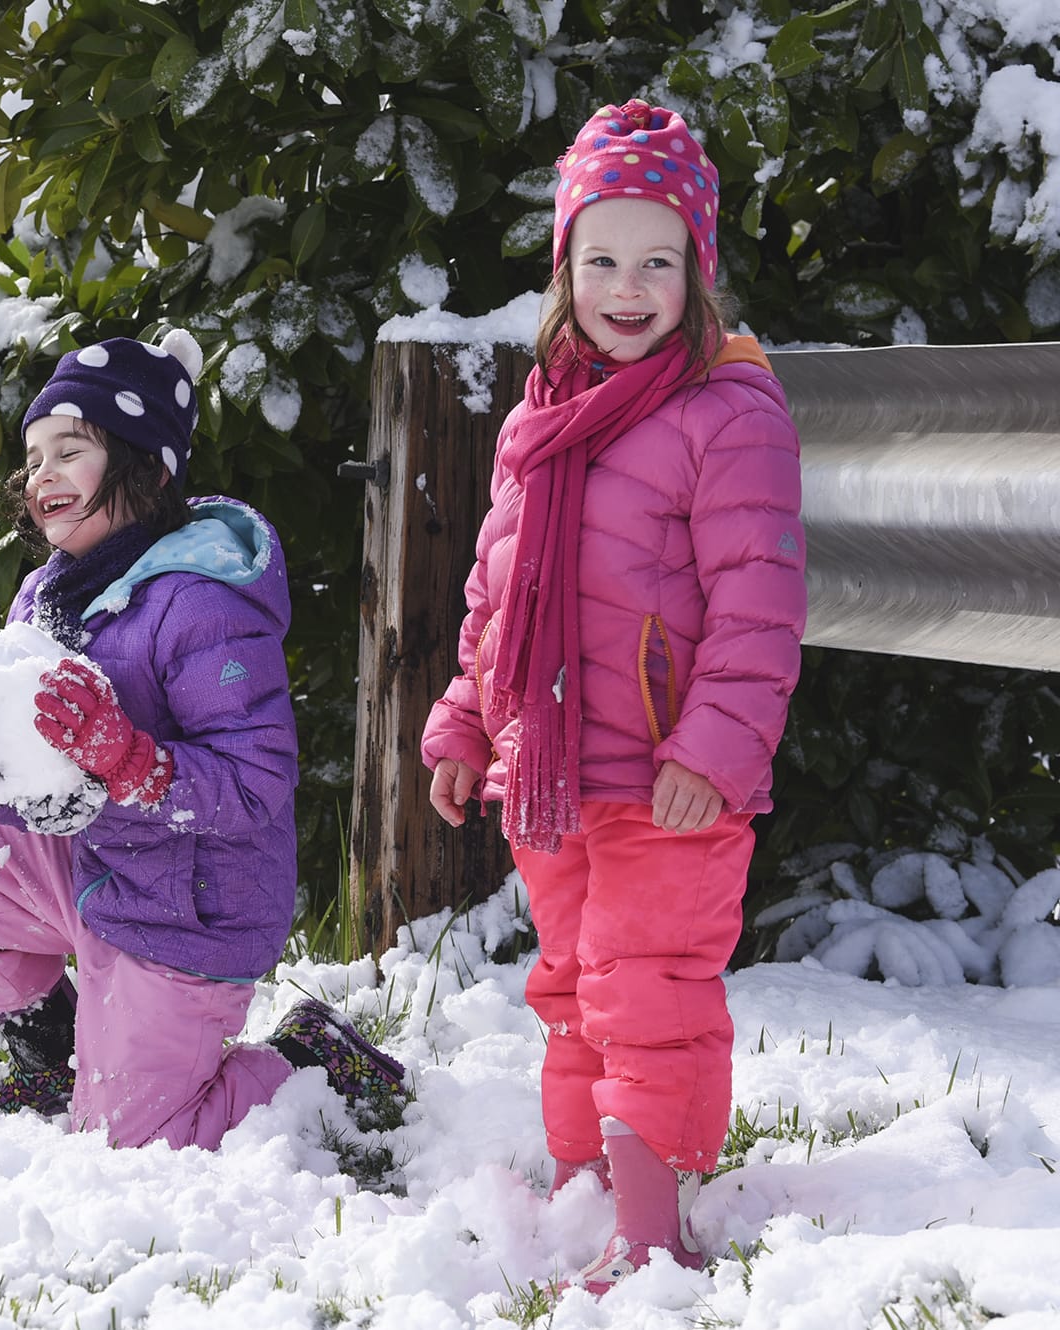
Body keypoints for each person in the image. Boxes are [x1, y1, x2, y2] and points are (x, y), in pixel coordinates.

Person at [420, 101, 806, 1291]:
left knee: (649, 987)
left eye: (655, 261)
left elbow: (757, 608)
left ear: (695, 269)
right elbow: (495, 589)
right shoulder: (543, 416)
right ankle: (584, 1181)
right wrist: (464, 719)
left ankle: (651, 1224)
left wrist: (713, 752)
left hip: (669, 771)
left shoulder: (725, 414)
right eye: (600, 260)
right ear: (563, 266)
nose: (625, 287)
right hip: (553, 766)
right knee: (573, 979)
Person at [0, 331, 405, 1151]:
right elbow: (48, 799)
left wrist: (135, 763)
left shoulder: (201, 604)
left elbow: (257, 780)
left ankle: (312, 1063)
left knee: (133, 1143)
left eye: (70, 450)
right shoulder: (43, 600)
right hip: (97, 868)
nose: (41, 474)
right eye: (34, 455)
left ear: (147, 470)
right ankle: (53, 1055)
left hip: (188, 910)